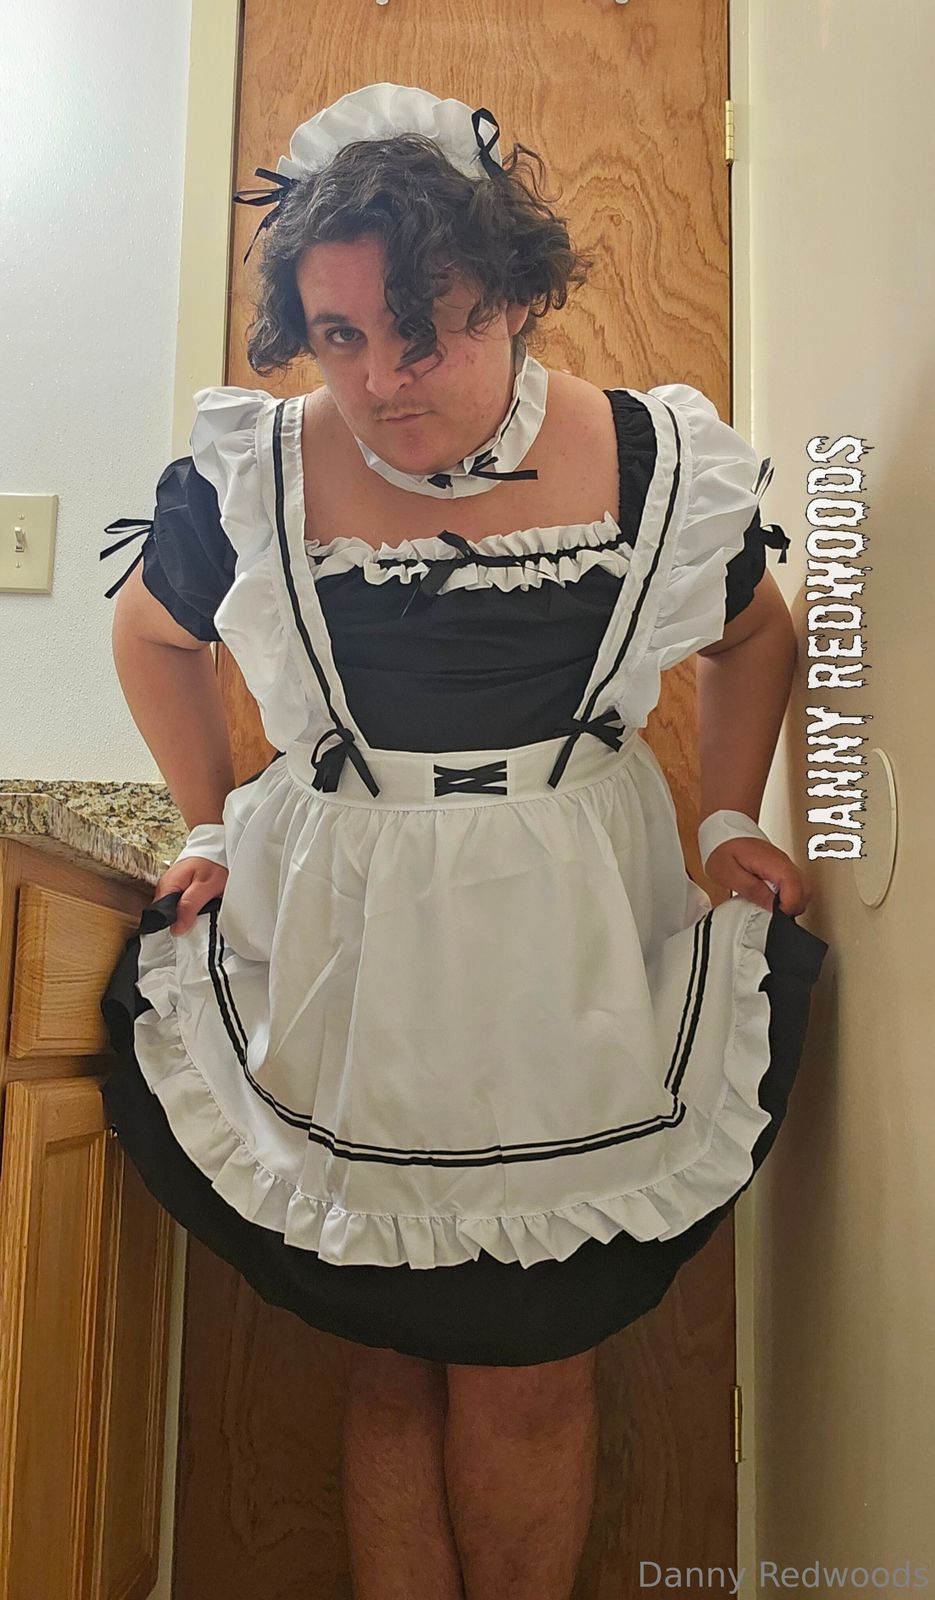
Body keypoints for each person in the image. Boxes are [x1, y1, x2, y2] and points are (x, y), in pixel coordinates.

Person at [98, 83, 828, 1600]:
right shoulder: (254, 473)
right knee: (389, 1353)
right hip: (344, 934)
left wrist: (726, 814)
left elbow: (756, 634)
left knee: (530, 1366)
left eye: (422, 331)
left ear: (508, 294)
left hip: (567, 938)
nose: (380, 378)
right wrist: (206, 817)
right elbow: (152, 638)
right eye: (339, 335)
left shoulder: (654, 463)